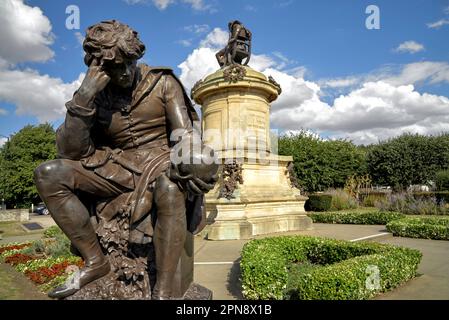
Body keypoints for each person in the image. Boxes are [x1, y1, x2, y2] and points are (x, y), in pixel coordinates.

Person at [34, 20, 217, 300]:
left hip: (159, 164)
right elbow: (69, 152)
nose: (122, 73)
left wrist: (194, 157)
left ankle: (165, 289)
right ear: (98, 68)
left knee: (170, 186)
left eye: (126, 64)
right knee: (48, 174)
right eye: (112, 68)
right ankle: (96, 262)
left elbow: (185, 134)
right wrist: (84, 97)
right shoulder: (93, 94)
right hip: (113, 169)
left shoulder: (162, 82)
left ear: (135, 57)